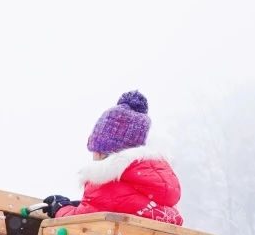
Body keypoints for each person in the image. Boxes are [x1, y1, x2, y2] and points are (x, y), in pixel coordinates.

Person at [43, 91, 183, 224]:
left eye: (94, 150)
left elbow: (78, 222)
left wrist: (60, 208)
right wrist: (85, 204)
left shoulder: (105, 184)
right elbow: (125, 203)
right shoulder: (161, 191)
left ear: (101, 151)